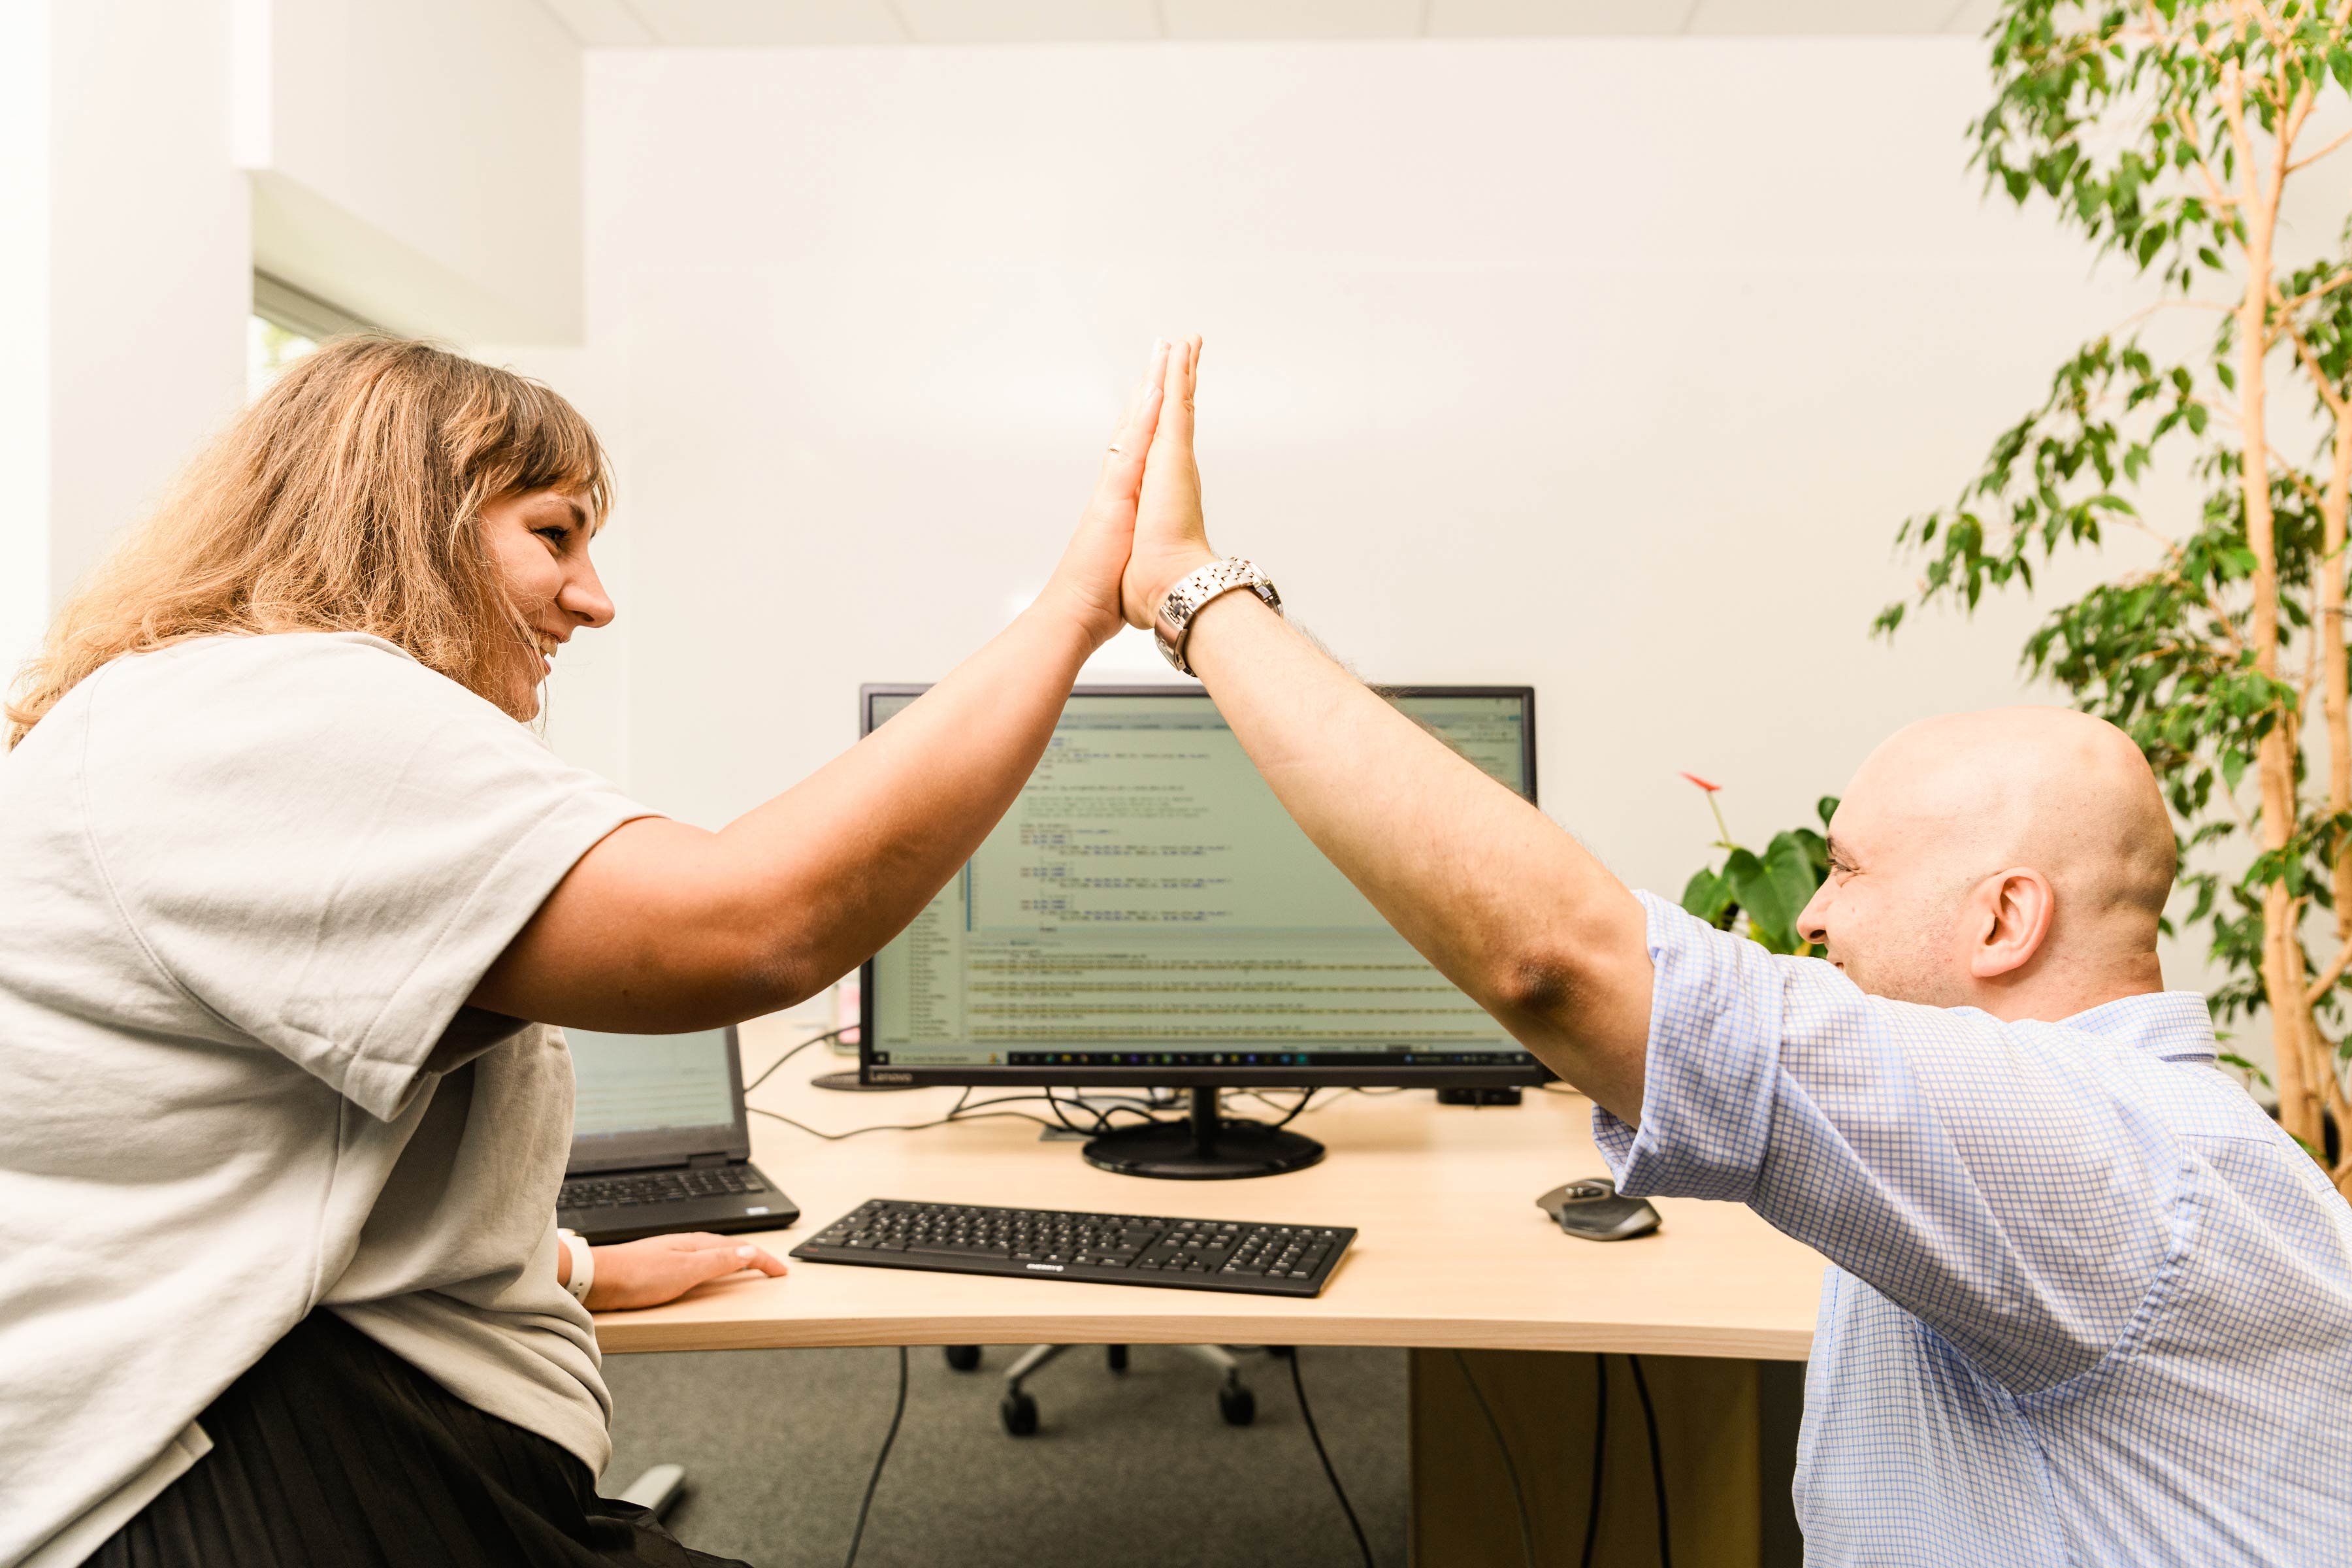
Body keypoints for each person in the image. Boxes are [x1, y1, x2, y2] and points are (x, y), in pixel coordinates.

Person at [1115, 338, 2352, 1564]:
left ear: (2003, 922)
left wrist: (1191, 593)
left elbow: (1556, 962)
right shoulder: (2119, 1139)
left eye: (1849, 870)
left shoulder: (2094, 1154)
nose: (1812, 917)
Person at [0, 335, 1174, 1567]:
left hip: (255, 1417)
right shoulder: (276, 707)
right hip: (227, 1469)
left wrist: (563, 1263)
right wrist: (1077, 610)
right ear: (407, 521)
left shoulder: (193, 712)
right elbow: (757, 928)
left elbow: (212, 1149)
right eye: (553, 535)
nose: (596, 598)